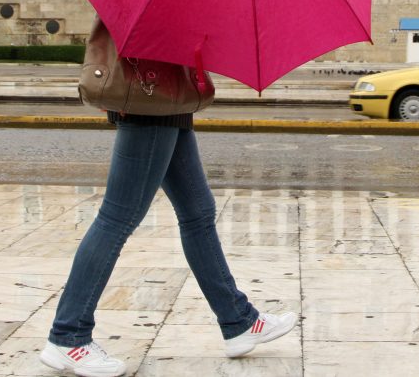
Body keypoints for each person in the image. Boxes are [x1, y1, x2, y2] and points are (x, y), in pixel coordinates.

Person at [40, 78, 297, 377]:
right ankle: (68, 335)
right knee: (117, 218)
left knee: (198, 212)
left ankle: (238, 321)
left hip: (170, 104)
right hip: (151, 102)